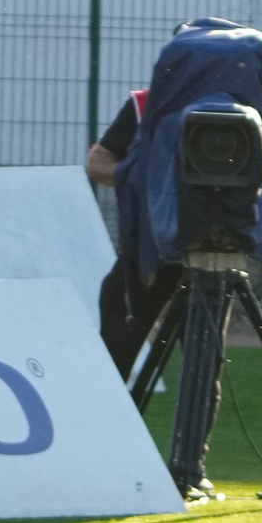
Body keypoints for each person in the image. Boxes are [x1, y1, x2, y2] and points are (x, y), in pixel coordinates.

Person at [86, 84, 182, 378]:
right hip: (151, 246)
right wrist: (143, 180)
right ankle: (111, 414)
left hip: (210, 249)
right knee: (118, 319)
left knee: (202, 365)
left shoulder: (243, 108)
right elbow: (98, 163)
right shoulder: (145, 104)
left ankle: (192, 423)